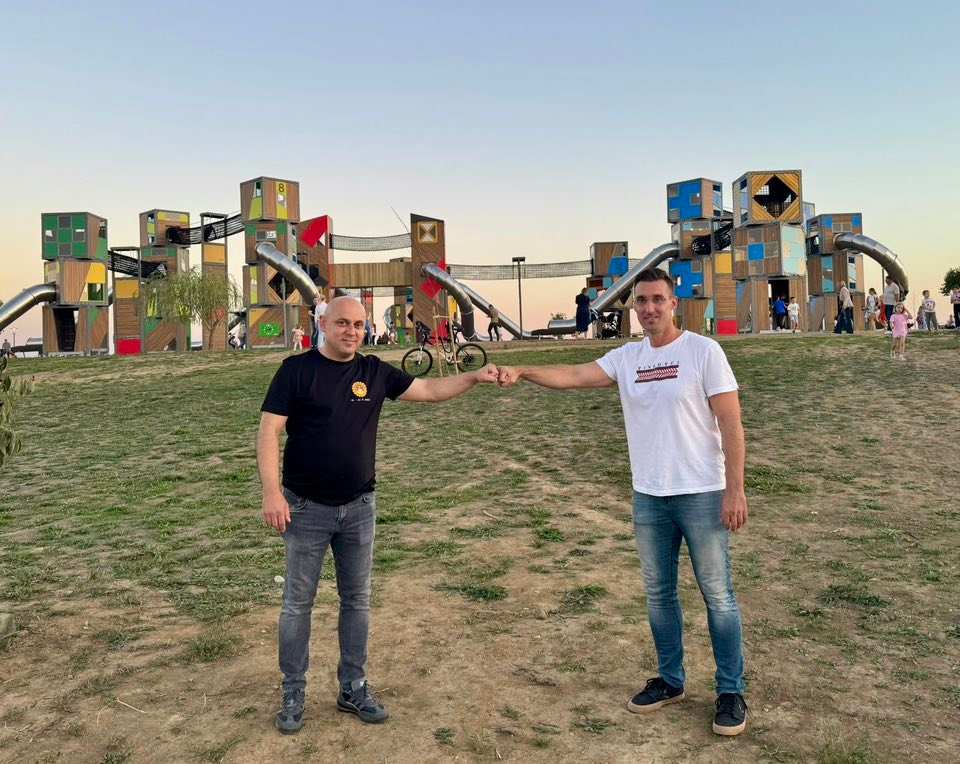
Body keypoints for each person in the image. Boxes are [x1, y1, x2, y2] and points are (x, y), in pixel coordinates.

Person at [496, 268, 749, 737]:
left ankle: (730, 691)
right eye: (641, 302)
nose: (649, 308)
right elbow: (575, 375)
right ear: (633, 308)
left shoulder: (703, 352)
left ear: (673, 303)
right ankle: (670, 680)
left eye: (657, 299)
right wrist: (525, 371)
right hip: (649, 496)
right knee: (659, 595)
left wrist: (735, 489)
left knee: (718, 596)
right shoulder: (627, 358)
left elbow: (731, 423)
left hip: (700, 492)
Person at [257, 297, 499, 734]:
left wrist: (473, 377)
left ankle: (353, 687)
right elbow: (269, 431)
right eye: (342, 323)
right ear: (323, 324)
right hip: (305, 509)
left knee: (357, 600)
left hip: (359, 509)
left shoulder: (374, 371)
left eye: (358, 324)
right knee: (297, 604)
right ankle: (293, 691)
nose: (351, 331)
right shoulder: (296, 371)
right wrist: (272, 493)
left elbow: (429, 391)